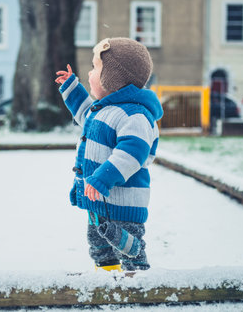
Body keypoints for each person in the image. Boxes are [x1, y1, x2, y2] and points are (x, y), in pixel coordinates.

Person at [55, 37, 163, 272]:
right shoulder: (104, 110)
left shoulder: (134, 116)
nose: (90, 73)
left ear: (112, 78)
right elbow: (85, 115)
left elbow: (131, 154)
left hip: (123, 202)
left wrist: (103, 178)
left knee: (128, 249)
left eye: (95, 68)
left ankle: (137, 287)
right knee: (99, 248)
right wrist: (72, 88)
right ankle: (106, 285)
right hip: (98, 201)